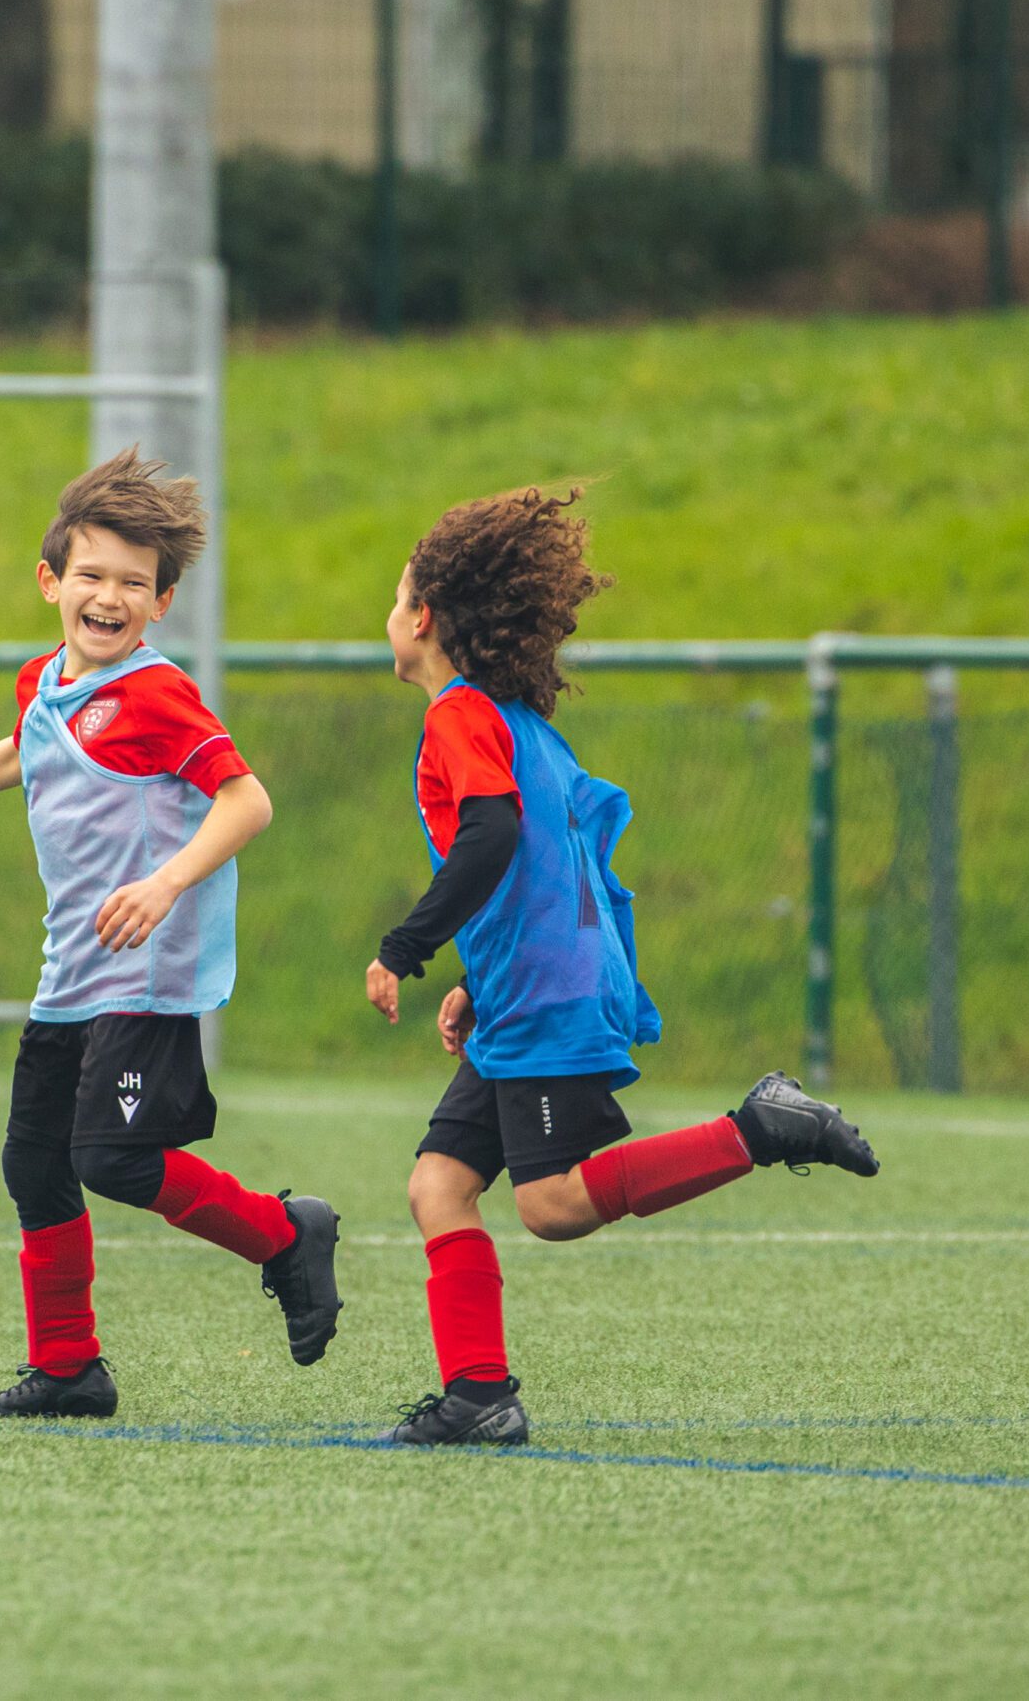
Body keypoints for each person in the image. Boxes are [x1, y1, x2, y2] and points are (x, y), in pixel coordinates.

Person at [363, 486, 879, 1447]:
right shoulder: (520, 724)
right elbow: (549, 866)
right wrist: (483, 974)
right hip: (538, 984)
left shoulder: (460, 718)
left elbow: (493, 835)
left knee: (554, 1205)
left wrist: (409, 947)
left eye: (395, 600)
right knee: (440, 1184)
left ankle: (758, 1129)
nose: (388, 618)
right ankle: (480, 1398)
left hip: (550, 995)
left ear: (423, 620)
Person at [0, 448, 341, 1421]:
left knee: (116, 1159)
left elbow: (246, 798)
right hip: (70, 972)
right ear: (50, 580)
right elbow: (31, 745)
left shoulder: (154, 692)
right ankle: (68, 1370)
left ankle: (285, 1234)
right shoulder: (44, 681)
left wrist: (167, 881)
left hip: (143, 971)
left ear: (159, 602)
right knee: (31, 1160)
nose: (108, 595)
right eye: (91, 574)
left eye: (133, 582)